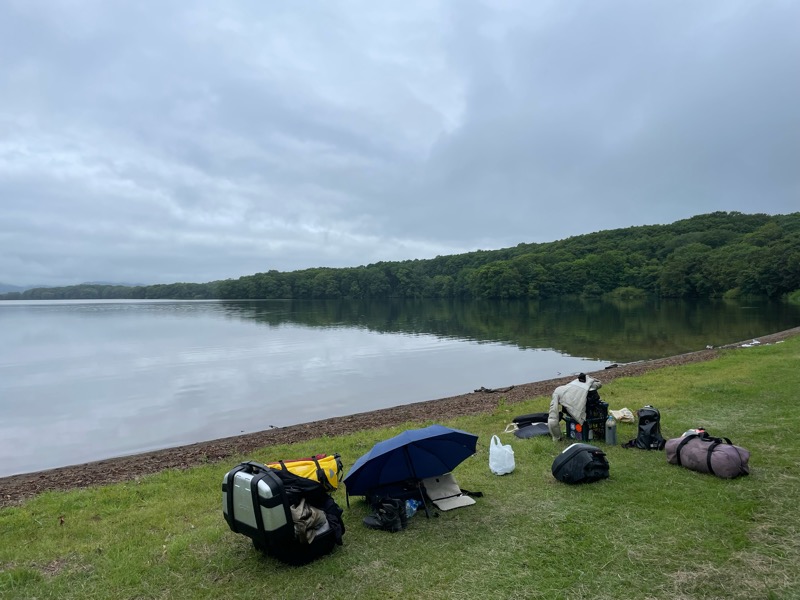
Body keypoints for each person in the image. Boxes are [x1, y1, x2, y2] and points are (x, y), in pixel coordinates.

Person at [547, 373, 602, 440]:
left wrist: (556, 438)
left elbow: (552, 418)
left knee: (553, 416)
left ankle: (557, 438)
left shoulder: (560, 389)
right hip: (579, 407)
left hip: (571, 401)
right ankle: (557, 437)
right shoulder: (590, 385)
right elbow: (599, 383)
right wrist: (589, 378)